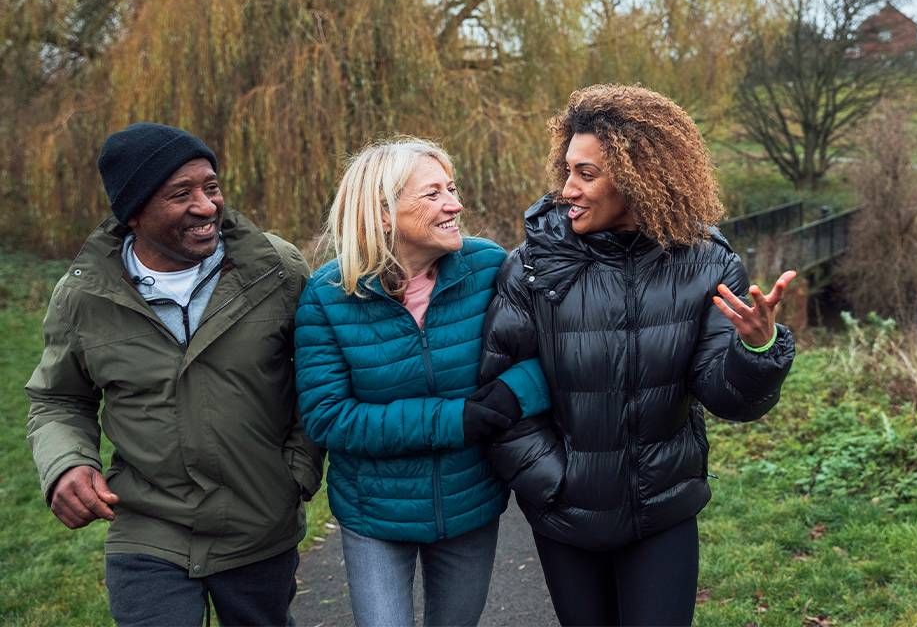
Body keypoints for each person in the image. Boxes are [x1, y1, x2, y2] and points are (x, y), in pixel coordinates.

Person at [480, 84, 798, 626]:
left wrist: (755, 347)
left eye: (587, 174)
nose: (567, 190)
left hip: (662, 513)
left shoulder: (707, 264)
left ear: (639, 176)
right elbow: (500, 397)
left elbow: (728, 398)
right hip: (566, 516)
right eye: (568, 170)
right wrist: (554, 481)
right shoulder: (533, 266)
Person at [25, 122, 323, 627]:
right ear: (134, 212)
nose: (206, 206)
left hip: (258, 522)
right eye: (181, 194)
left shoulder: (275, 269)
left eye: (211, 187)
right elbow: (59, 399)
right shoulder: (85, 296)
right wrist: (67, 464)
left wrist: (295, 473)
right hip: (147, 524)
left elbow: (317, 373)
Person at [293, 137, 549, 627]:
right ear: (383, 213)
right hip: (375, 515)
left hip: (470, 501)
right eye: (432, 194)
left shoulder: (489, 267)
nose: (455, 204)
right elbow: (329, 417)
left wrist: (511, 397)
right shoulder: (327, 295)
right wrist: (456, 419)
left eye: (450, 188)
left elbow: (547, 357)